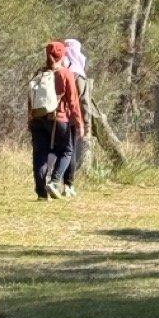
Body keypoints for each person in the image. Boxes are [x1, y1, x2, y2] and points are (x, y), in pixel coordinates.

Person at [28, 40, 85, 200]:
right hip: (59, 119)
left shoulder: (39, 72)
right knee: (67, 151)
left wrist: (30, 118)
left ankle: (41, 193)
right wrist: (79, 123)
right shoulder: (66, 73)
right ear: (63, 55)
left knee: (40, 154)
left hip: (38, 119)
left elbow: (30, 97)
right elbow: (73, 101)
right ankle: (54, 182)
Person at [60, 38, 92, 198]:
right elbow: (85, 103)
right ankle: (68, 185)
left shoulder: (58, 71)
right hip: (72, 118)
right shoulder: (79, 75)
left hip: (54, 118)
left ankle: (50, 181)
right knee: (69, 152)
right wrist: (86, 125)